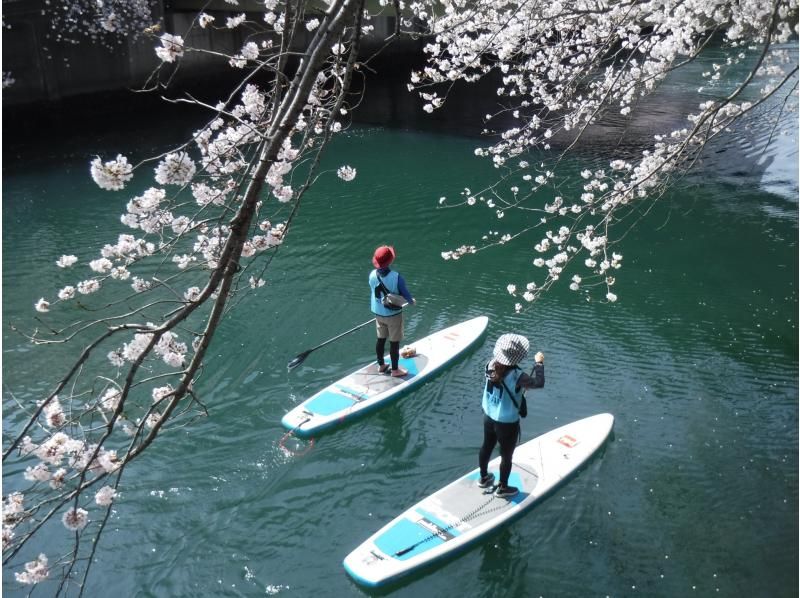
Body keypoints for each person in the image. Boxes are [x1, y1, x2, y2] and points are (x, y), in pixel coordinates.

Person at [478, 333, 545, 498]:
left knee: (486, 446)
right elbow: (539, 383)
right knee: (506, 456)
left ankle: (484, 478)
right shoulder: (518, 376)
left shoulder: (490, 365)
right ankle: (503, 487)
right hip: (506, 423)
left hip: (489, 416)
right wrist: (539, 363)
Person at [368, 245, 415, 377]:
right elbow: (405, 294)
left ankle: (381, 365)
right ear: (390, 260)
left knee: (381, 339)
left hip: (378, 313)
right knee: (394, 342)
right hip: (393, 314)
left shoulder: (372, 274)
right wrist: (411, 301)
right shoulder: (397, 277)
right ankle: (395, 370)